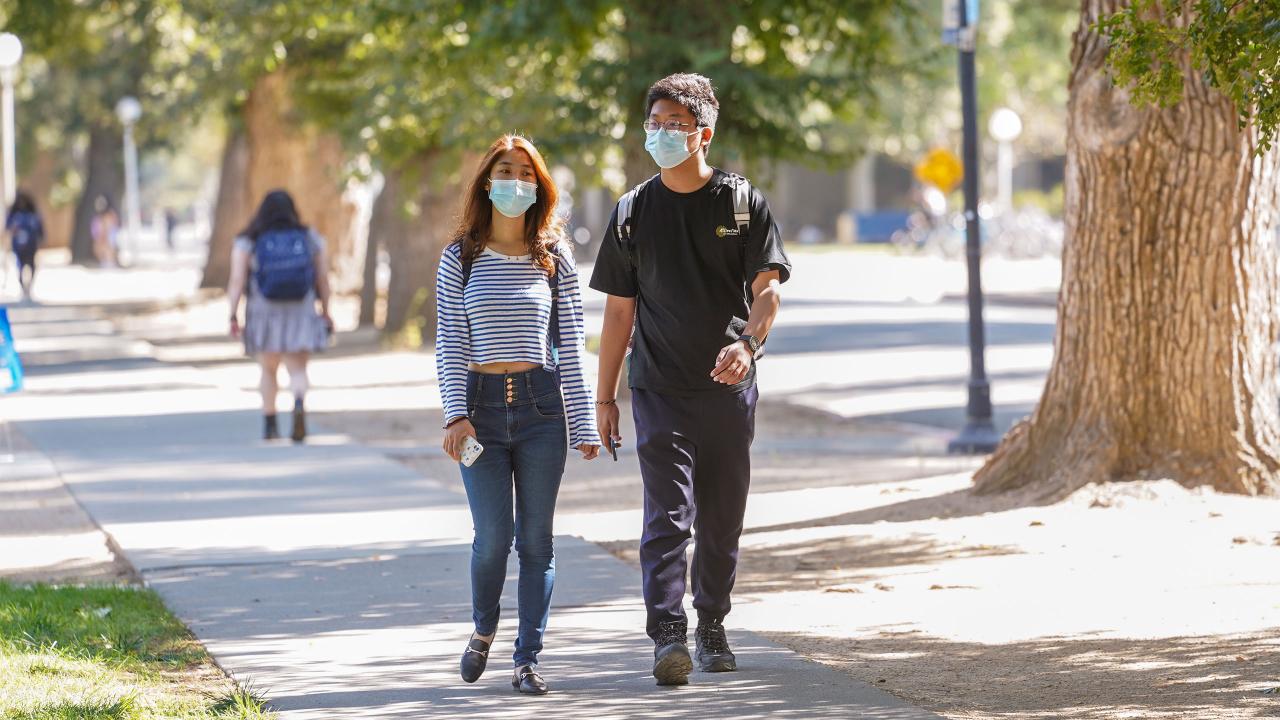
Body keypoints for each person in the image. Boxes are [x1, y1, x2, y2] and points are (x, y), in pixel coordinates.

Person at [590, 73, 790, 686]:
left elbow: (769, 288)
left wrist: (748, 347)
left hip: (729, 388)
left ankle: (712, 625)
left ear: (704, 133)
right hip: (658, 388)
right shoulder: (632, 212)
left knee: (722, 515)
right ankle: (667, 633)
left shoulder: (741, 203)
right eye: (654, 123)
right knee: (668, 515)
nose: (661, 133)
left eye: (674, 124)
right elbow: (618, 312)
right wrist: (604, 398)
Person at [436, 134, 600, 695]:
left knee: (537, 542)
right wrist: (455, 414)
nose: (516, 182)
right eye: (506, 171)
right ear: (487, 181)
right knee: (492, 538)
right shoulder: (460, 256)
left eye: (527, 174)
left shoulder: (554, 257)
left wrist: (581, 423)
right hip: (479, 412)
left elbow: (572, 342)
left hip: (541, 410)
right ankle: (483, 628)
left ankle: (527, 658)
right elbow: (451, 341)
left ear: (540, 186)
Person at [226, 190, 333, 442]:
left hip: (264, 312)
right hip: (300, 309)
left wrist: (232, 314)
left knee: (268, 370)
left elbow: (236, 281)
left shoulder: (248, 241)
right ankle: (298, 402)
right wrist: (326, 312)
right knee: (297, 369)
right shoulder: (310, 238)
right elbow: (323, 280)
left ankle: (270, 423)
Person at [4, 191, 44, 299]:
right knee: (20, 265)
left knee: (32, 265)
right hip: (18, 245)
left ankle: (30, 286)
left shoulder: (33, 215)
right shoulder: (14, 215)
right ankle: (22, 286)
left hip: (31, 244)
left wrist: (41, 239)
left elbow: (40, 228)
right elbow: (8, 228)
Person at [90, 196, 120, 268]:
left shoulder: (109, 215)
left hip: (108, 235)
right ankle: (106, 262)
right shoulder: (98, 217)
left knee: (108, 248)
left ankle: (109, 262)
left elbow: (112, 226)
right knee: (102, 249)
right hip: (102, 235)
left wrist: (105, 234)